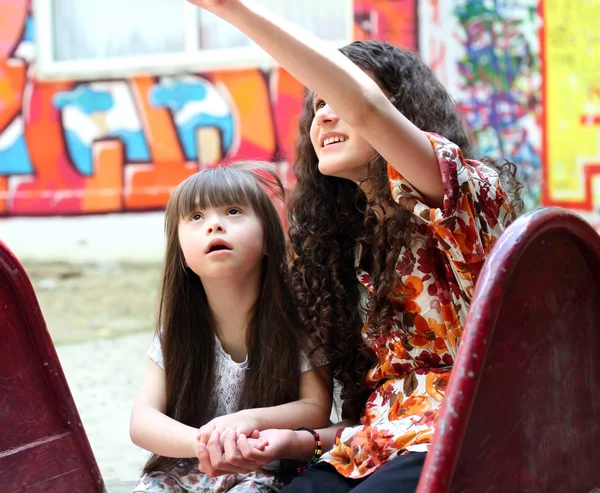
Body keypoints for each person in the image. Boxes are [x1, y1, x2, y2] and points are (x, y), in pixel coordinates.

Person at [185, 1, 523, 491]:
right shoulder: (341, 247)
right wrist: (289, 441)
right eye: (316, 106)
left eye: (335, 99)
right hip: (368, 452)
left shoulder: (467, 198)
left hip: (473, 439)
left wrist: (231, 10)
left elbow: (366, 106)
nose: (322, 116)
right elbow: (380, 416)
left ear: (399, 113)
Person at [129, 163, 332, 492]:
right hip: (188, 467)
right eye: (196, 217)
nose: (214, 226)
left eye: (233, 211)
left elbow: (316, 409)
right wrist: (210, 443)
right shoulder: (178, 329)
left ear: (267, 239)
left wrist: (246, 423)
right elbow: (142, 422)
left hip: (265, 469)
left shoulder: (298, 321)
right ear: (181, 254)